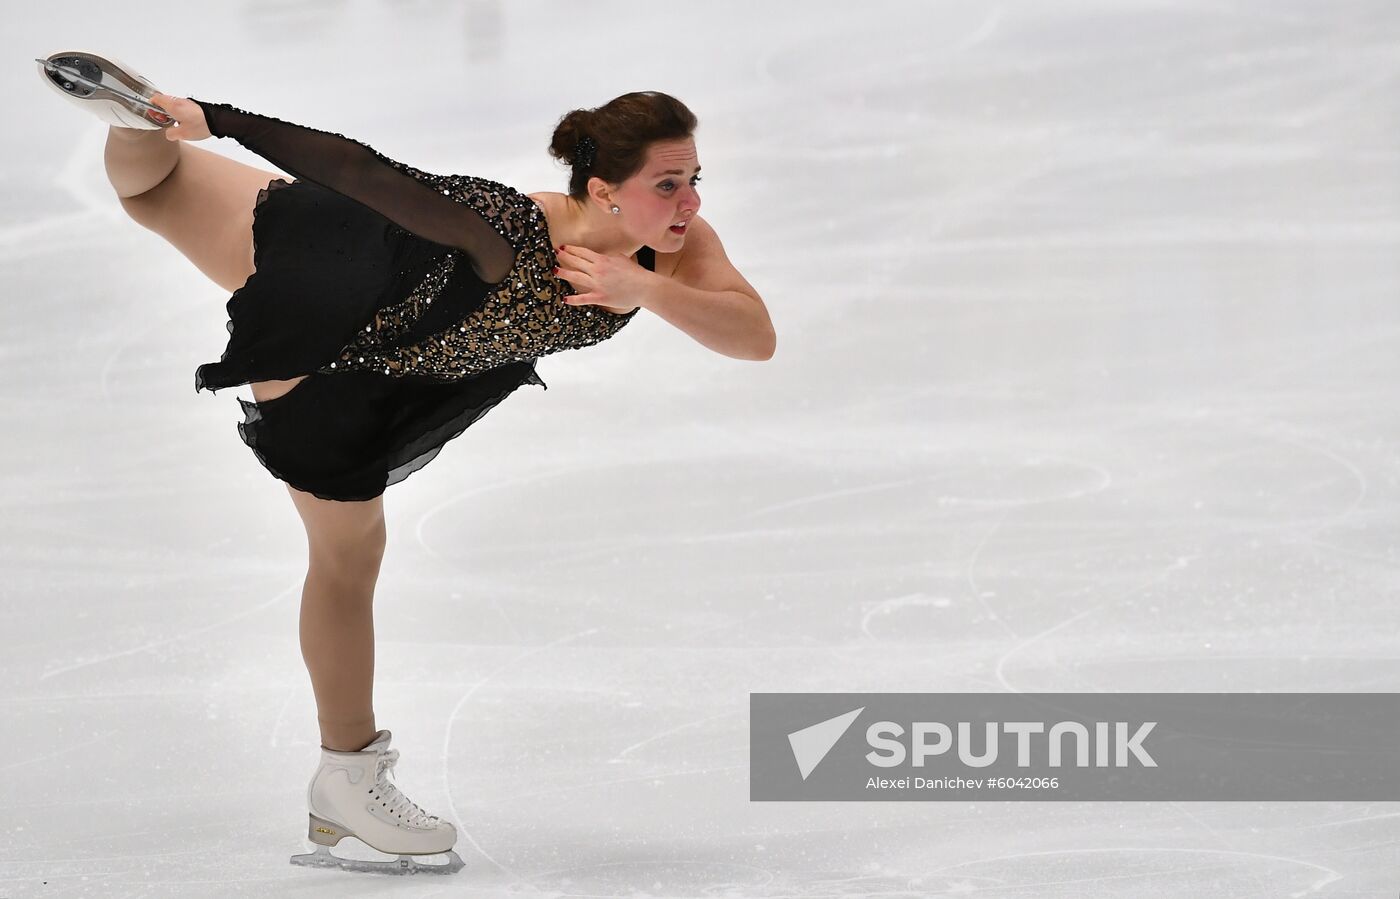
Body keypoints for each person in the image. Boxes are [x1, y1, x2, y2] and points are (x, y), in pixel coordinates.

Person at [37, 50, 775, 875]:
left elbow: (754, 334)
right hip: (330, 296)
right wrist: (222, 118)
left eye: (694, 178)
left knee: (155, 193)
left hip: (383, 366)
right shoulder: (509, 229)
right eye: (668, 184)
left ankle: (135, 117)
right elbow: (372, 176)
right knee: (155, 188)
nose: (691, 202)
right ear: (603, 188)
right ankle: (347, 780)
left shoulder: (667, 251)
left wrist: (647, 291)